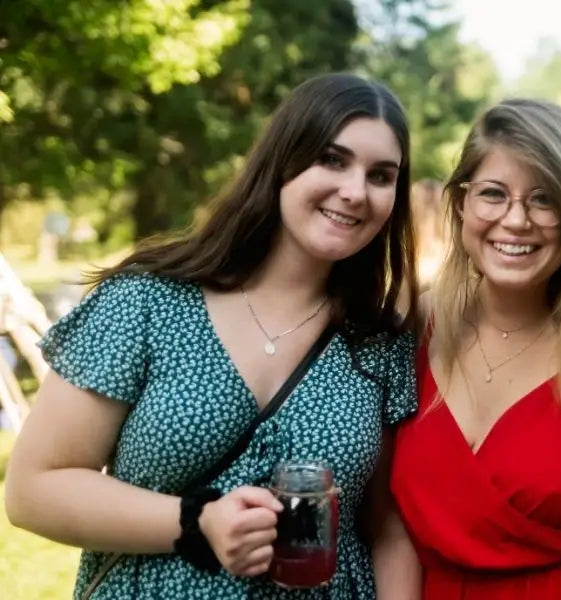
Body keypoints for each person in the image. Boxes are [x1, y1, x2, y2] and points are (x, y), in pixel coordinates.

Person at [5, 73, 421, 599]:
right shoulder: (148, 302)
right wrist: (197, 521)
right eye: (332, 160)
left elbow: (384, 527)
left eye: (381, 176)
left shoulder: (379, 343)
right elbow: (33, 489)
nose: (355, 191)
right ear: (283, 161)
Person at [390, 98, 561, 599]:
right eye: (494, 194)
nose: (516, 220)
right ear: (461, 204)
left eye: (545, 199)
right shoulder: (414, 326)